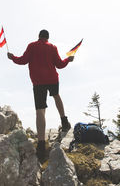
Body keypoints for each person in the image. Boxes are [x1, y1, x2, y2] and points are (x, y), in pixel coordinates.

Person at [7, 29, 74, 160]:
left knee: (40, 110)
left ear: (39, 37)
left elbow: (23, 60)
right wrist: (68, 60)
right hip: (52, 78)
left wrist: (12, 57)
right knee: (56, 96)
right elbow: (59, 65)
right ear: (47, 38)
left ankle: (41, 145)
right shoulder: (52, 47)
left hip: (38, 81)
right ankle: (64, 122)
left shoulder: (32, 46)